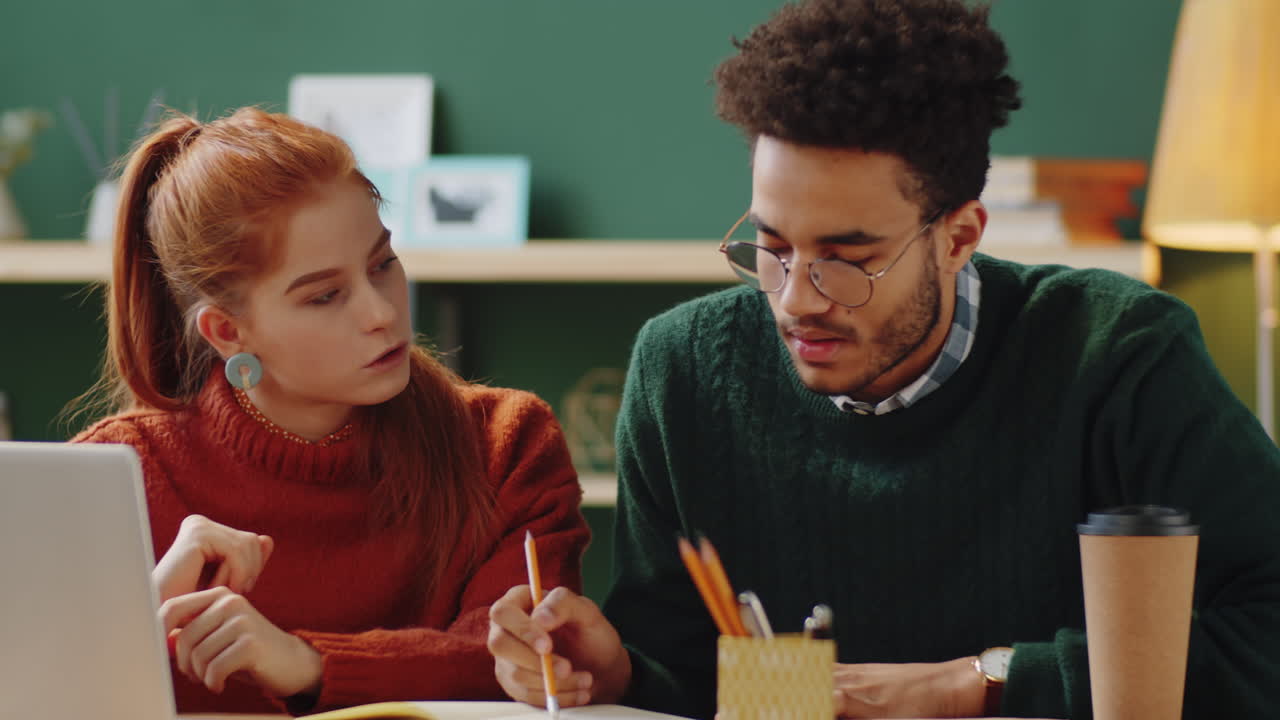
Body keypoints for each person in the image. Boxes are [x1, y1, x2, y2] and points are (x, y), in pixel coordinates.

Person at [487, 0, 1280, 717]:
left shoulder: (1119, 356)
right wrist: (620, 671)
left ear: (959, 237)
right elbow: (705, 684)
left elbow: (1266, 634)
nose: (796, 297)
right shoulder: (684, 371)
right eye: (770, 246)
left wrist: (979, 682)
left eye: (846, 257)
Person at [70, 107, 590, 715]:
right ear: (228, 331)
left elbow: (517, 663)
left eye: (383, 264)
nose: (382, 312)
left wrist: (306, 663)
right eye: (324, 295)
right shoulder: (117, 475)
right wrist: (140, 616)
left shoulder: (508, 443)